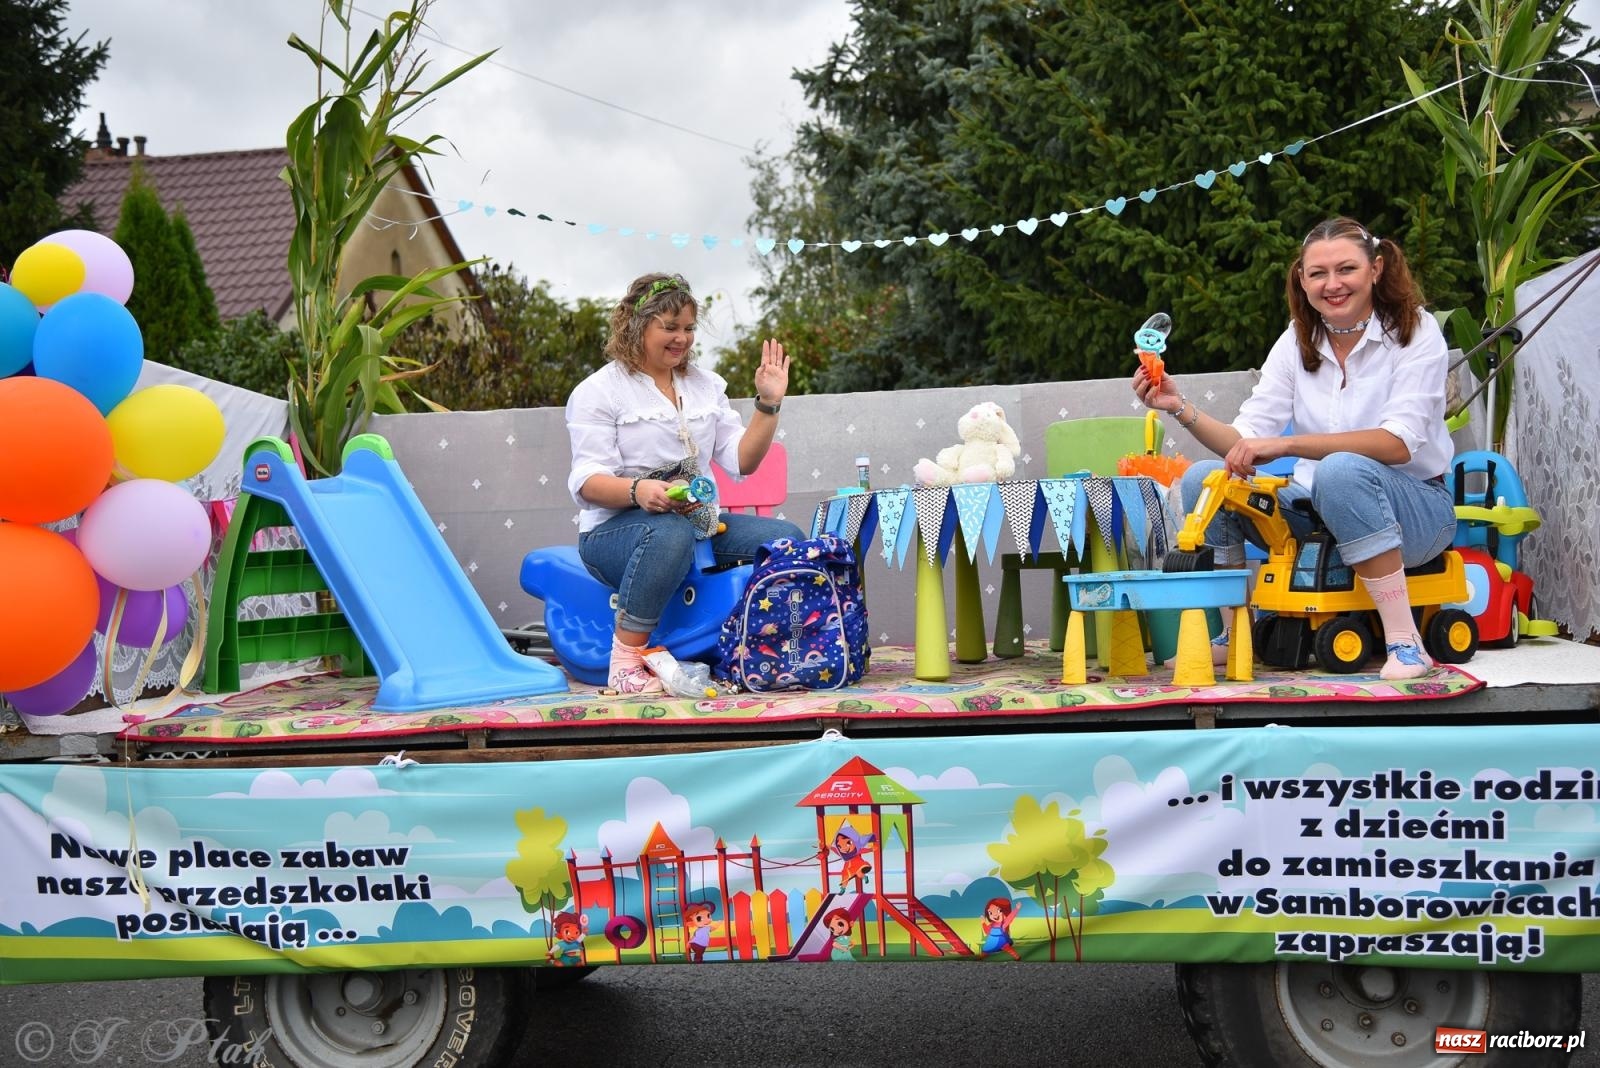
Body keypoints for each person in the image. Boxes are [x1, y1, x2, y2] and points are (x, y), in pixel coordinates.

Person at [1132, 217, 1456, 681]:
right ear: (1301, 280)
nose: (1333, 284)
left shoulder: (1415, 331)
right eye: (1318, 273)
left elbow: (1398, 443)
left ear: (1376, 269)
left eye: (1346, 269)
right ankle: (1235, 634)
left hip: (1417, 509)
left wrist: (1288, 443)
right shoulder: (1296, 340)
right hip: (1314, 509)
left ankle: (1405, 641)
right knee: (1208, 478)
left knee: (1342, 470)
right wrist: (1176, 405)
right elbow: (1243, 443)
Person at [566, 272, 804, 693]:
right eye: (670, 327)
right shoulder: (599, 391)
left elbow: (742, 460)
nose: (682, 338)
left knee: (786, 539)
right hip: (613, 534)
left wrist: (769, 403)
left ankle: (754, 647)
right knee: (670, 533)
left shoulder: (705, 386)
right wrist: (639, 491)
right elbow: (587, 482)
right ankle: (624, 662)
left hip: (697, 526)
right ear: (637, 326)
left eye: (689, 328)